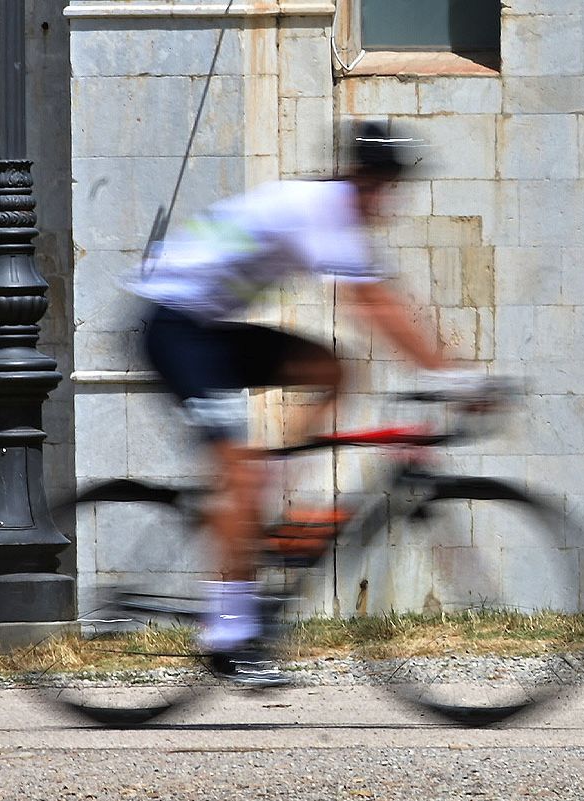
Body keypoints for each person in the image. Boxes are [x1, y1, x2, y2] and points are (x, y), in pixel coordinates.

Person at [129, 121, 465, 686]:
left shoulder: (336, 217)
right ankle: (228, 632)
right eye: (383, 187)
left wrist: (447, 372)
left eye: (392, 188)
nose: (389, 200)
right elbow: (376, 306)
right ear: (360, 180)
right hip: (174, 325)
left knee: (329, 369)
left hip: (210, 325)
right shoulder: (321, 208)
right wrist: (453, 380)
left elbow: (388, 299)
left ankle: (279, 484)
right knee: (241, 473)